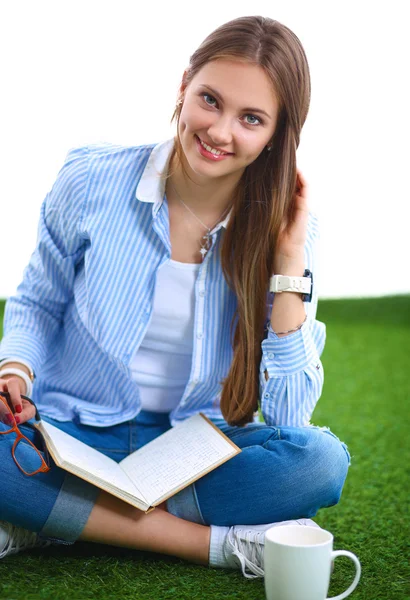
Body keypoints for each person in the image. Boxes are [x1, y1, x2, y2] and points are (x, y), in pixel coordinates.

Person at [0, 15, 351, 579]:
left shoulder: (292, 230)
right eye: (210, 100)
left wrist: (288, 265)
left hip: (193, 451)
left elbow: (291, 422)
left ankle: (49, 520)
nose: (219, 131)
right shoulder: (91, 178)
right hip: (69, 430)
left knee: (319, 463)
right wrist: (15, 370)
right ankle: (216, 546)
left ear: (277, 134)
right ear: (184, 84)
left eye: (251, 119)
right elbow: (40, 300)